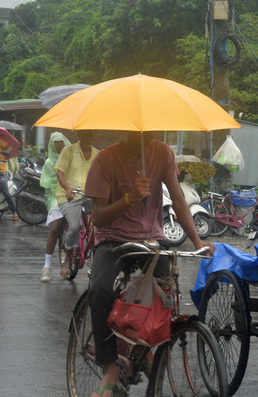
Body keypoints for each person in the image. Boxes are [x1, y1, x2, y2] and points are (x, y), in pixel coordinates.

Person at [84, 131, 215, 397]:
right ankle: (109, 368)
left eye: (152, 132)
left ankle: (142, 350)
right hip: (113, 240)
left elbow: (178, 199)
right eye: (141, 133)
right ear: (126, 131)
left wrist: (197, 241)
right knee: (100, 291)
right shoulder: (105, 160)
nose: (148, 136)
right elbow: (97, 217)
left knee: (166, 291)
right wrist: (130, 198)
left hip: (150, 239)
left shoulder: (162, 153)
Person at [54, 130, 98, 279]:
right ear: (79, 136)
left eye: (91, 135)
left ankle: (95, 257)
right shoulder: (69, 151)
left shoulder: (98, 154)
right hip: (69, 197)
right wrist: (67, 188)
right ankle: (67, 257)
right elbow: (60, 173)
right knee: (73, 226)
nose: (88, 138)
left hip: (89, 196)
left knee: (97, 226)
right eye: (85, 135)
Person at [40, 132, 71, 281]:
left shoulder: (70, 158)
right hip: (55, 197)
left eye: (61, 142)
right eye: (56, 142)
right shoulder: (49, 163)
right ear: (52, 144)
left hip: (72, 195)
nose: (59, 145)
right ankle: (47, 266)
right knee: (54, 229)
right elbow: (50, 184)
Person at [0, 139, 18, 221]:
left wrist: (1, 155)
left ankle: (14, 213)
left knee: (6, 192)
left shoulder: (0, 141)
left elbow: (11, 147)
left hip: (1, 171)